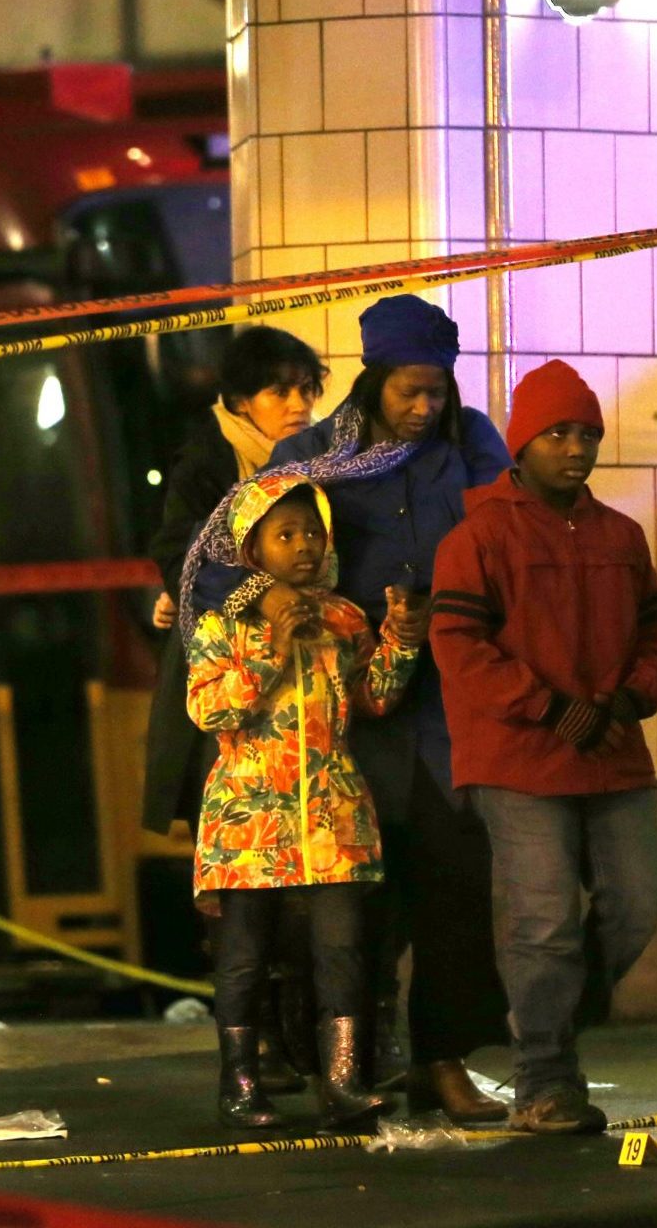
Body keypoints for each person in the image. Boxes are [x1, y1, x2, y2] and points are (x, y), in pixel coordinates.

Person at [179, 293, 515, 1124]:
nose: (423, 405)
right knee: (353, 910)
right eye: (408, 389)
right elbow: (230, 557)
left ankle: (442, 1060)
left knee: (453, 883)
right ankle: (345, 1059)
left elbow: (511, 537)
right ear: (371, 381)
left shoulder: (468, 445)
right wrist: (276, 614)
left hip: (445, 700)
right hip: (336, 720)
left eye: (437, 388)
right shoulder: (310, 454)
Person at [430, 360, 657, 1135]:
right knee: (542, 922)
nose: (577, 448)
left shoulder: (621, 535)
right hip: (518, 759)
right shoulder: (478, 536)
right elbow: (458, 644)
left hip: (609, 751)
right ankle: (542, 1079)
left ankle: (556, 1023)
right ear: (521, 442)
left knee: (643, 897)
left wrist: (631, 698)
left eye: (588, 433)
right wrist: (546, 706)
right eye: (559, 433)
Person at [185, 472, 429, 1129]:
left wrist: (402, 640)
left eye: (312, 532)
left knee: (344, 952)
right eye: (285, 534)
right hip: (247, 821)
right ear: (252, 550)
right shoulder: (222, 622)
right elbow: (209, 708)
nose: (303, 546)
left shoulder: (345, 619)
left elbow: (374, 698)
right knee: (243, 959)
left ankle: (344, 1082)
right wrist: (269, 647)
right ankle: (239, 1083)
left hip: (333, 816)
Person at [140, 325, 328, 1090]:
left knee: (302, 889)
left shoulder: (317, 465)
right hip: (226, 704)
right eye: (279, 390)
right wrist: (263, 590)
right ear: (239, 398)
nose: (295, 404)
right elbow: (185, 559)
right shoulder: (209, 464)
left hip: (306, 707)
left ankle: (293, 1045)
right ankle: (255, 1054)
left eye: (305, 389)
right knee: (240, 890)